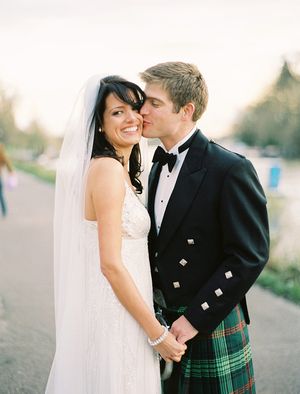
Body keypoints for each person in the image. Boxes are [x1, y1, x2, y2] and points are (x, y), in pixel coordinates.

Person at [45, 75, 186, 394]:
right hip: (117, 314)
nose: (132, 118)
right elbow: (110, 264)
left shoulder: (117, 169)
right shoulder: (107, 170)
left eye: (135, 108)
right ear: (98, 125)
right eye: (117, 112)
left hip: (125, 307)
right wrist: (157, 334)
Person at [140, 62, 269, 394]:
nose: (143, 110)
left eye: (154, 103)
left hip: (210, 320)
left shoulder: (230, 169)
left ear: (186, 110)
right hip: (166, 322)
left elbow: (248, 256)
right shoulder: (156, 168)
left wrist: (195, 318)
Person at [0, 143, 13, 217]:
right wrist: (11, 173)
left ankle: (4, 211)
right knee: (1, 195)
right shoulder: (2, 155)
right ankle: (4, 211)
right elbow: (8, 165)